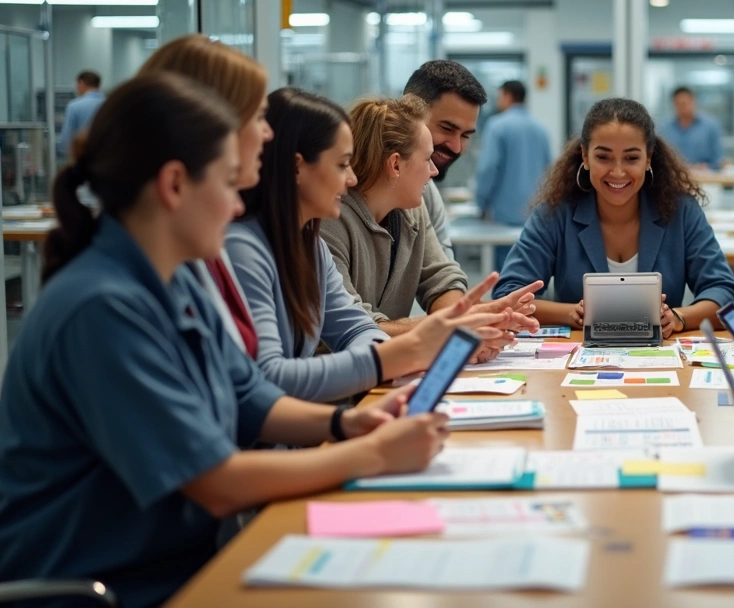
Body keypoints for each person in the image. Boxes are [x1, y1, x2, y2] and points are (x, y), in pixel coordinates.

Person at [0, 73, 451, 608]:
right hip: (119, 587)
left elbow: (250, 395)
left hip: (186, 559)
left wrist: (346, 424)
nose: (238, 208)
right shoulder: (102, 306)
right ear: (174, 185)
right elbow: (213, 481)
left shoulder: (179, 279)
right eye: (227, 184)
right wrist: (370, 454)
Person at [227, 87, 510, 403]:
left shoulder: (310, 246)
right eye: (341, 165)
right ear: (296, 168)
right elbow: (271, 378)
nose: (351, 179)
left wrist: (431, 340)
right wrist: (422, 343)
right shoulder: (244, 249)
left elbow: (357, 329)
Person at [493, 98, 734, 337]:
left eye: (632, 158)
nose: (618, 172)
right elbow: (507, 296)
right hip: (578, 358)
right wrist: (572, 314)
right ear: (585, 156)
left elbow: (725, 294)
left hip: (660, 357)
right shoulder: (555, 214)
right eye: (603, 157)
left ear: (649, 158)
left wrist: (678, 318)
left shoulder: (681, 211)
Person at [320, 95, 541, 345]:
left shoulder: (411, 208)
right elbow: (353, 326)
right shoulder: (330, 221)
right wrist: (456, 328)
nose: (434, 171)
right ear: (395, 165)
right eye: (427, 159)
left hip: (389, 360)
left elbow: (440, 278)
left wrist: (471, 322)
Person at [138, 33, 273, 357]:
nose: (268, 133)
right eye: (259, 116)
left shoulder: (197, 244)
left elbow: (241, 378)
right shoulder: (116, 301)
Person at [402, 60, 489, 260]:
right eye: (447, 129)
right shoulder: (349, 194)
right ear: (407, 114)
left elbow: (442, 268)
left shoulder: (427, 193)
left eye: (465, 135)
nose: (456, 147)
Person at [475, 80, 553, 269]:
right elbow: (550, 172)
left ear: (508, 96)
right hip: (535, 218)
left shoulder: (497, 126)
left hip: (504, 218)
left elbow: (488, 168)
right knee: (531, 274)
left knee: (505, 275)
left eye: (500, 96)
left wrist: (481, 203)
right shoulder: (541, 129)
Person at [658, 86, 723, 171]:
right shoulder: (665, 128)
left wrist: (708, 167)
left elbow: (718, 158)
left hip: (704, 175)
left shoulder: (710, 126)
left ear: (694, 102)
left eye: (685, 103)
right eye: (678, 104)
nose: (682, 107)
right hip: (673, 174)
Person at [56, 69, 105, 158]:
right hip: (107, 156)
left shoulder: (74, 106)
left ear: (81, 83)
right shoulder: (110, 104)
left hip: (84, 157)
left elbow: (66, 139)